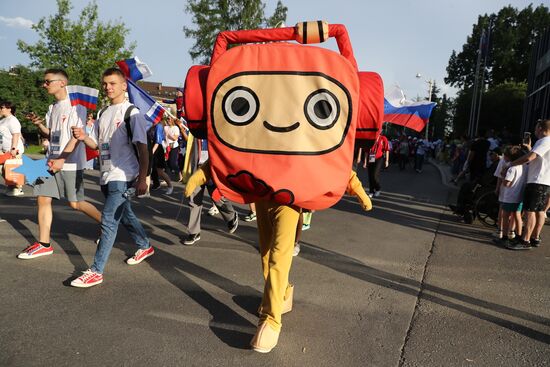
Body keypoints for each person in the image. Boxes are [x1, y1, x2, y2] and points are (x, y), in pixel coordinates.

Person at [69, 67, 154, 287]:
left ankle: (96, 270)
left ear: (124, 86)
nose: (108, 87)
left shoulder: (131, 112)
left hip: (124, 175)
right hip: (106, 174)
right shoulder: (102, 113)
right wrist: (82, 137)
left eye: (113, 83)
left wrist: (143, 177)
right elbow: (97, 145)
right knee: (125, 215)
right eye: (105, 83)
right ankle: (145, 245)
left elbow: (143, 148)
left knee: (108, 219)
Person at [17, 69, 102, 260]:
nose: (44, 85)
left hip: (70, 163)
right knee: (42, 198)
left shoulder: (76, 106)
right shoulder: (52, 107)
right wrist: (39, 124)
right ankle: (44, 244)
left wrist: (63, 158)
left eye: (48, 81)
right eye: (44, 82)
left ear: (62, 83)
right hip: (51, 162)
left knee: (76, 203)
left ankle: (107, 226)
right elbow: (52, 134)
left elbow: (76, 137)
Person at [182, 137, 238, 246]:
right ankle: (194, 232)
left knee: (217, 197)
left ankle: (231, 216)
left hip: (213, 168)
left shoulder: (215, 128)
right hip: (197, 168)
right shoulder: (195, 131)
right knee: (194, 201)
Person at [506, 119, 550, 250]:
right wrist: (530, 148)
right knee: (539, 211)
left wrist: (510, 164)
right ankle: (534, 237)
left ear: (541, 128)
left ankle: (525, 241)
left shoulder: (544, 141)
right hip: (544, 181)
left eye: (536, 127)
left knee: (530, 211)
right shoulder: (545, 142)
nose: (535, 130)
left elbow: (529, 158)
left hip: (537, 181)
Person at [494, 146, 526, 247]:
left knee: (505, 216)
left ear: (508, 157)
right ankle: (518, 235)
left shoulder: (511, 168)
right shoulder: (522, 166)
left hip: (509, 197)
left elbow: (507, 183)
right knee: (517, 216)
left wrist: (503, 175)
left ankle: (504, 237)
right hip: (518, 196)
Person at [0, 101, 25, 196]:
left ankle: (18, 188)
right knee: (2, 169)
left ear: (9, 109)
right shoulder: (2, 120)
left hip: (14, 149)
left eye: (2, 107)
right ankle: (12, 186)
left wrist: (13, 148)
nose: (1, 109)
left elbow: (16, 134)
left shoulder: (12, 120)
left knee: (12, 167)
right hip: (4, 149)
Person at [150, 119, 174, 195]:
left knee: (160, 171)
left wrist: (152, 152)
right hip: (152, 147)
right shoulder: (151, 125)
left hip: (157, 150)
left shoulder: (159, 126)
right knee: (150, 169)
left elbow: (158, 141)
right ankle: (148, 189)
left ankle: (170, 186)